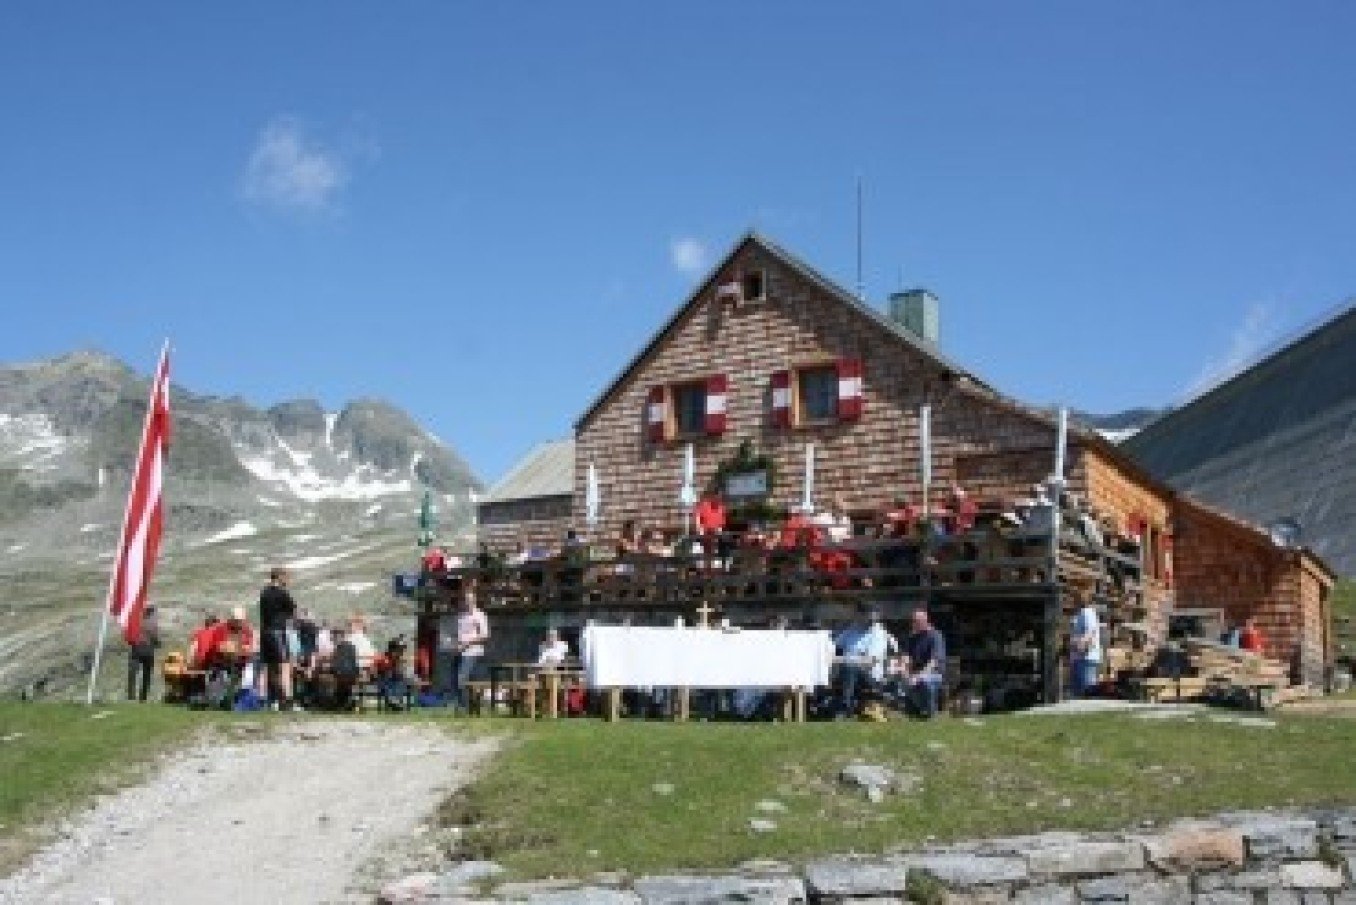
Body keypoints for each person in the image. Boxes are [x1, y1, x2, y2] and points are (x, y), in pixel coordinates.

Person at [834, 607, 894, 717]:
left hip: (870, 676)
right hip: (847, 670)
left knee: (850, 668)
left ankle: (844, 708)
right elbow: (834, 645)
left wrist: (842, 659)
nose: (871, 620)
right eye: (867, 617)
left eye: (872, 618)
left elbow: (871, 661)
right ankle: (817, 704)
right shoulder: (852, 630)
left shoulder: (878, 633)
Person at [256, 567, 300, 710]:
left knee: (268, 666)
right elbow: (294, 612)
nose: (288, 580)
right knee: (284, 665)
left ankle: (264, 700)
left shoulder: (264, 592)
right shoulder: (282, 593)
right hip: (277, 632)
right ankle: (287, 700)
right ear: (279, 577)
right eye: (286, 577)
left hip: (264, 632)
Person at [901, 608, 946, 718]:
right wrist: (905, 672)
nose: (913, 624)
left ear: (924, 621)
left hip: (934, 673)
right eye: (913, 621)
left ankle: (930, 712)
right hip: (915, 674)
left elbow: (934, 661)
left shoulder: (935, 636)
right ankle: (912, 711)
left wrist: (919, 676)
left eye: (915, 621)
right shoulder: (912, 638)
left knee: (925, 682)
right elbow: (906, 657)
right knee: (899, 680)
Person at [1069, 595, 1102, 697]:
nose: (1072, 599)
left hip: (1085, 658)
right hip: (1079, 658)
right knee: (1078, 693)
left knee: (1086, 692)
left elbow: (1090, 632)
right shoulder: (1080, 614)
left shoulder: (1087, 612)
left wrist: (1080, 645)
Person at [126, 605, 160, 702]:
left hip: (136, 650)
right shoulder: (153, 625)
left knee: (133, 673)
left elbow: (130, 636)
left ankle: (131, 696)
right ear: (151, 613)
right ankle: (143, 697)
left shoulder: (138, 623)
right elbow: (155, 638)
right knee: (146, 675)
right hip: (148, 651)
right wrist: (158, 644)